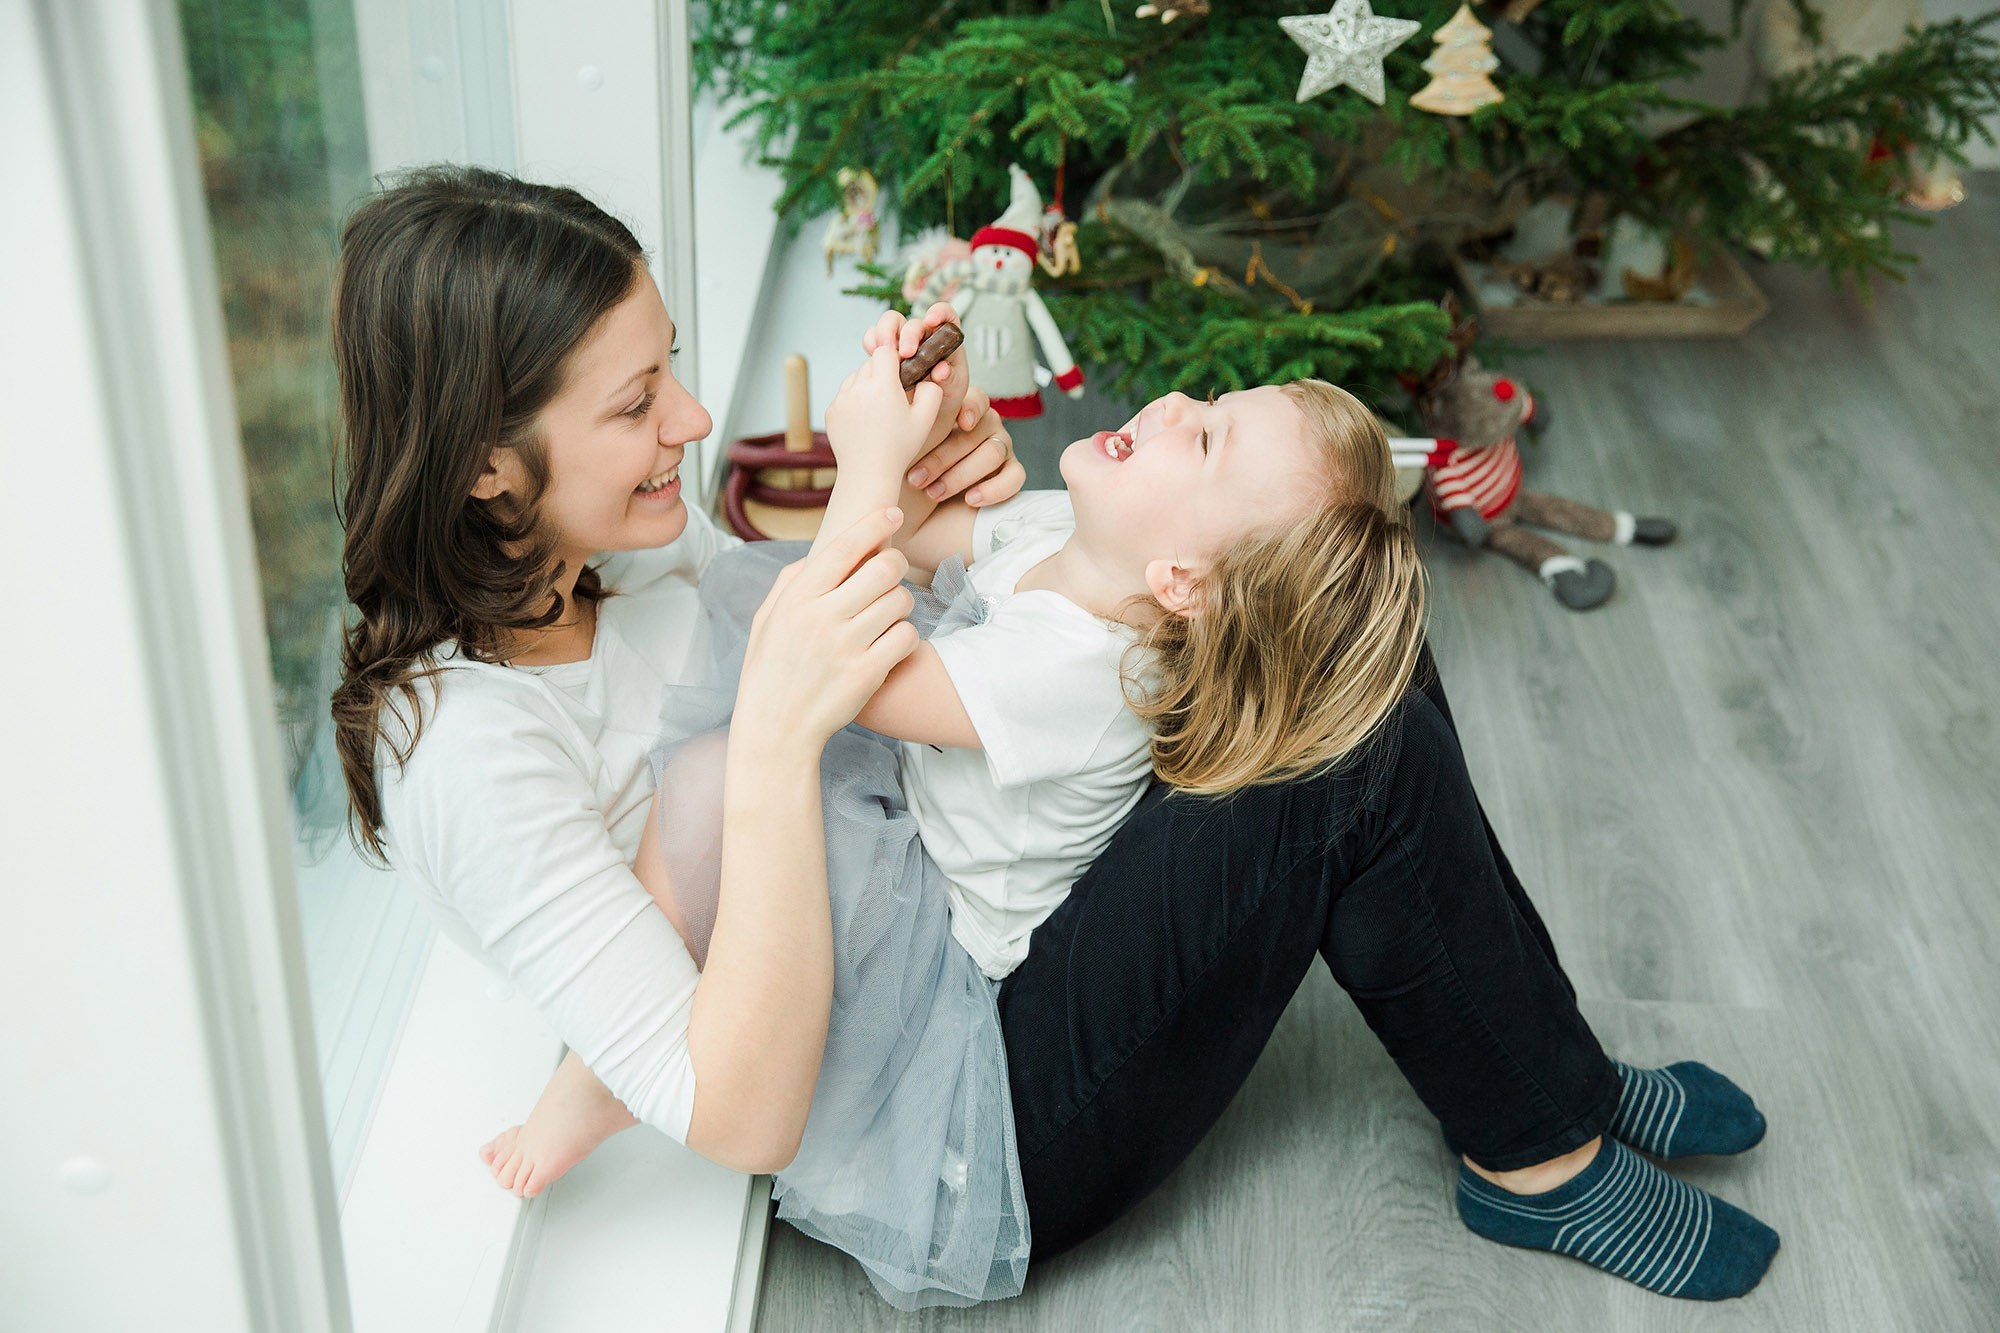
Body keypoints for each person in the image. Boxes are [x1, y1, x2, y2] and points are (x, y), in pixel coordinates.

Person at [333, 166, 1781, 1312]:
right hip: (963, 1107)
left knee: (1331, 616)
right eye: (639, 401)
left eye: (671, 367)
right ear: (487, 468)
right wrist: (785, 713)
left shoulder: (607, 562)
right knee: (1355, 753)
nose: (696, 417)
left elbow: (921, 644)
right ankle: (1536, 1152)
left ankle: (1546, 1075)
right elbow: (746, 1106)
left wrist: (930, 508)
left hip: (962, 915)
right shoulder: (467, 759)